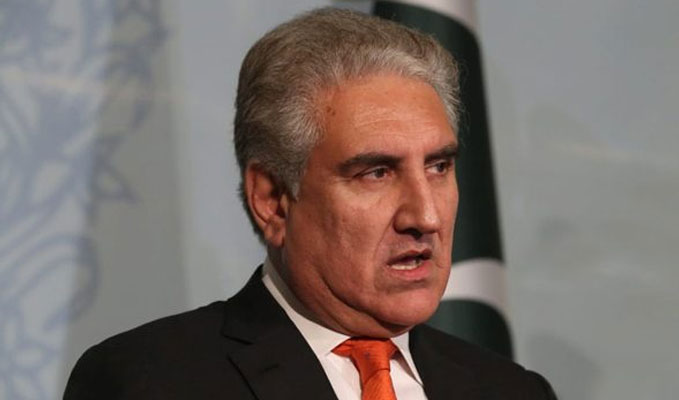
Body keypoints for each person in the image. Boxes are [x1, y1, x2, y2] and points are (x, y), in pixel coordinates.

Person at [64, 7, 556, 399]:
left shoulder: (513, 391)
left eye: (438, 166)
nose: (425, 217)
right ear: (272, 200)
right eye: (377, 173)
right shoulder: (151, 382)